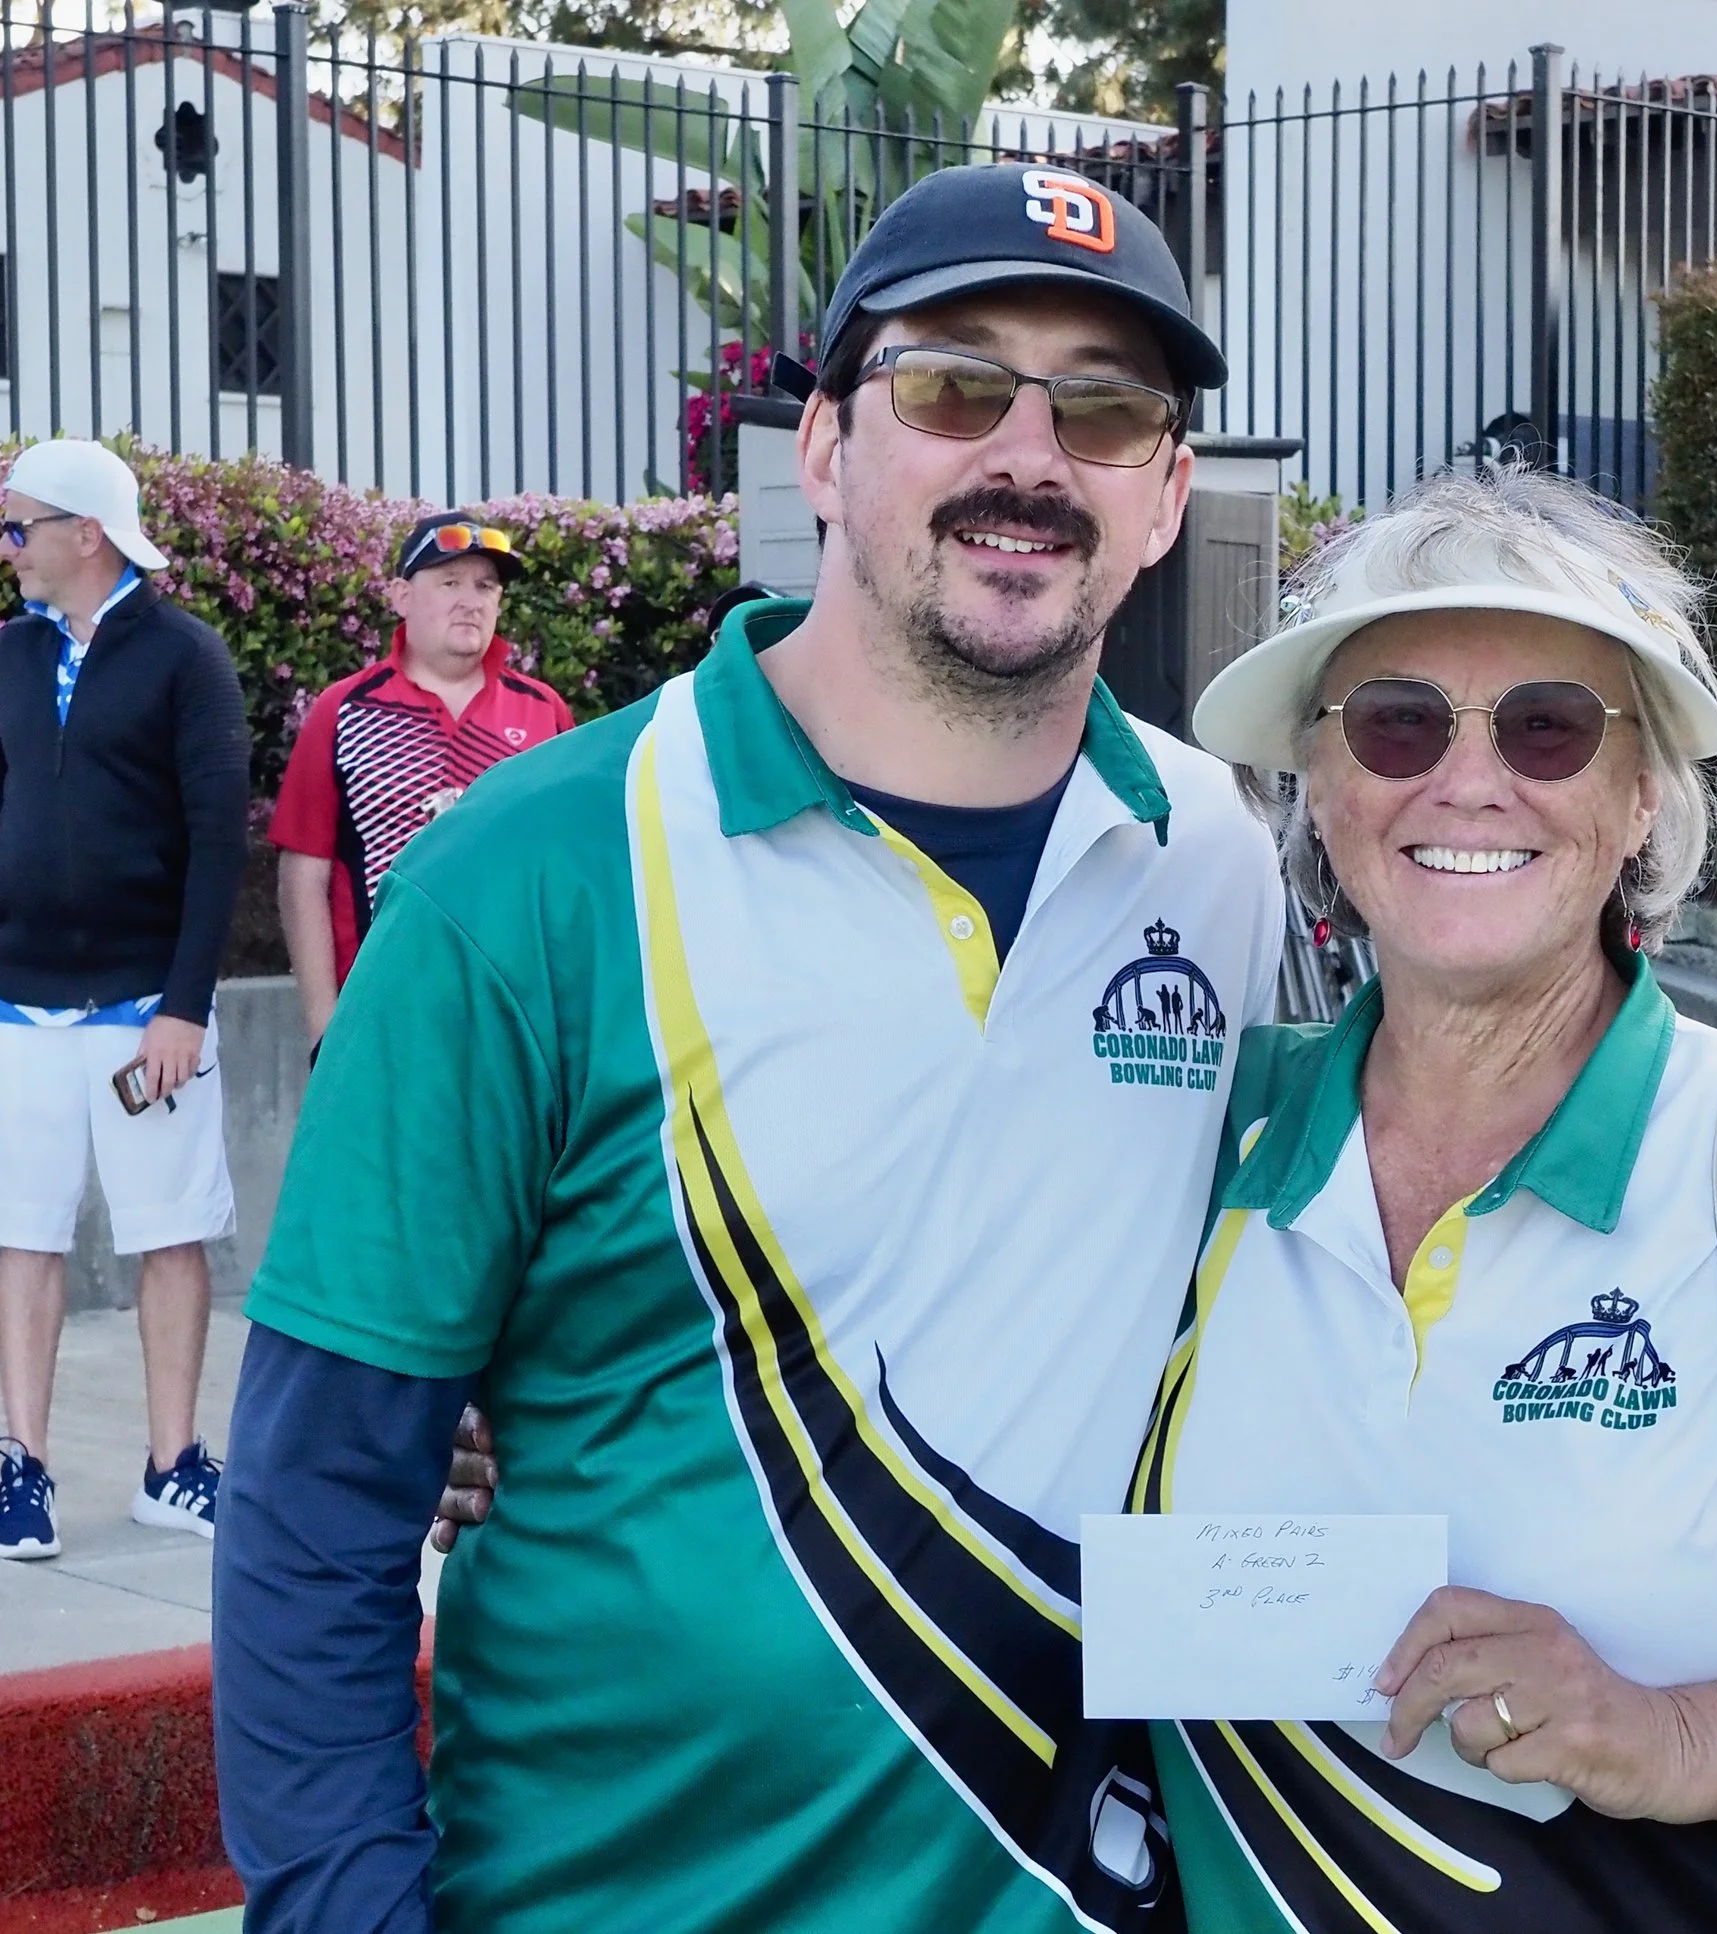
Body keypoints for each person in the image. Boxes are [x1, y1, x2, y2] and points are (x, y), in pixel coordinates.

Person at [212, 163, 1282, 1933]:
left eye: (1103, 408)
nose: (1029, 455)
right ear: (826, 451)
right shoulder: (533, 867)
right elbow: (318, 1494)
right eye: (954, 384)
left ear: (1166, 494)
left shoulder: (1218, 855)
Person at [1126, 467, 1717, 1932]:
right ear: (1319, 788)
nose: (1468, 779)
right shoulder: (1198, 1139)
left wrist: (1668, 1735)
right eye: (1396, 721)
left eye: (1548, 725)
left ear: (1641, 795)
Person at [0, 439, 247, 1562]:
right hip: (20, 1009)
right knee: (23, 1236)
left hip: (148, 1007)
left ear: (83, 533)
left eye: (19, 528)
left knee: (172, 1234)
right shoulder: (8, 656)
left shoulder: (187, 659)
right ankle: (23, 1467)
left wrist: (184, 1006)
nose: (8, 548)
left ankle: (171, 1464)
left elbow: (214, 845)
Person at [269, 514, 571, 1049]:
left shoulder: (544, 712)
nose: (470, 600)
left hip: (515, 1022)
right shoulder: (344, 711)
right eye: (449, 582)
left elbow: (570, 871)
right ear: (401, 597)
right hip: (379, 1014)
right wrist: (323, 1025)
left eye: (485, 586)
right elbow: (303, 876)